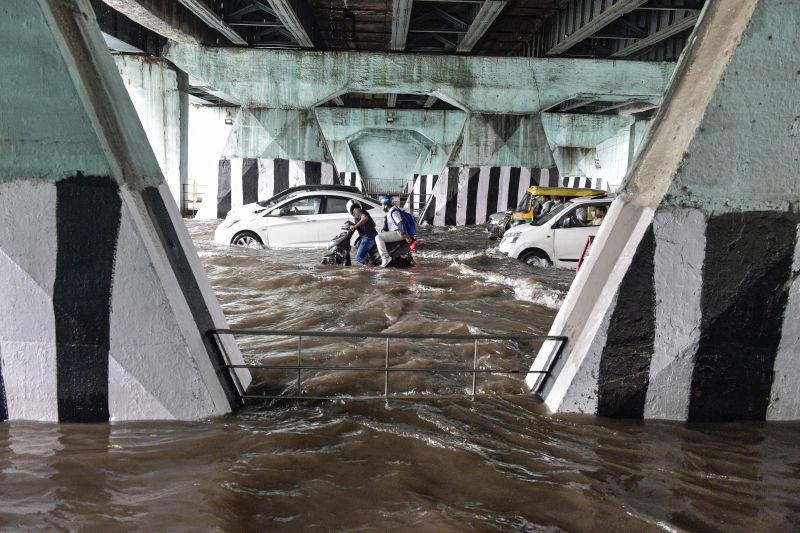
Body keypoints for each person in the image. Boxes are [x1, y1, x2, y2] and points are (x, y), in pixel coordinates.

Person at [375, 195, 411, 268]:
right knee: (381, 235)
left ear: (385, 205)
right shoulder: (393, 210)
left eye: (382, 204)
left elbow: (400, 224)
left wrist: (406, 237)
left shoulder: (393, 212)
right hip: (398, 233)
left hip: (400, 233)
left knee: (378, 237)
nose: (382, 206)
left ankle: (385, 258)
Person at [346, 199, 378, 266]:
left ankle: (373, 270)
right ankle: (371, 263)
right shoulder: (364, 211)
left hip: (368, 237)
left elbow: (365, 218)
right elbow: (374, 224)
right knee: (363, 252)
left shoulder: (356, 210)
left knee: (359, 257)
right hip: (372, 235)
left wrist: (355, 226)